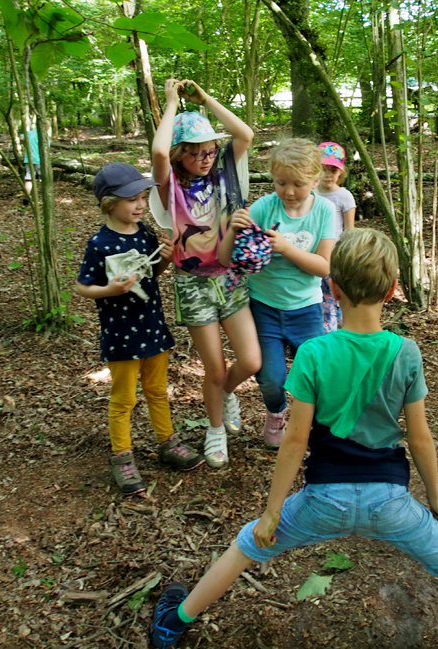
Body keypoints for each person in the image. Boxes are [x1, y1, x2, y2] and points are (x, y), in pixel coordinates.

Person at [148, 228, 438, 649]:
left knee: (245, 548)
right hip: (391, 502)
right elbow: (420, 438)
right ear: (391, 291)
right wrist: (436, 495)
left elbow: (295, 442)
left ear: (331, 287)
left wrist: (272, 511)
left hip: (322, 501)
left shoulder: (314, 352)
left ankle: (174, 623)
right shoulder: (406, 352)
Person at [150, 79, 261, 469]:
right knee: (213, 368)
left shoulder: (226, 171)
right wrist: (171, 102)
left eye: (210, 150)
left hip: (231, 278)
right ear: (182, 156)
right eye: (195, 152)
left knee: (249, 361)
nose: (206, 158)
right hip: (193, 283)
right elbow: (159, 151)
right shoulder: (170, 189)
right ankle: (215, 429)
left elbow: (244, 134)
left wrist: (204, 100)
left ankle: (227, 393)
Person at [75, 163, 203, 495]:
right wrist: (109, 291)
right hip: (121, 334)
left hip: (152, 326)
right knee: (124, 398)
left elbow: (151, 275)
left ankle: (167, 442)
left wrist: (166, 256)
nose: (141, 205)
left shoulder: (145, 233)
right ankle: (122, 456)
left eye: (143, 197)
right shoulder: (100, 243)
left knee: (158, 390)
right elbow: (83, 286)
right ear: (109, 202)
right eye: (132, 199)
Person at [238, 139, 335, 448]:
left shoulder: (324, 211)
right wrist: (238, 229)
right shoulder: (264, 207)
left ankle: (315, 424)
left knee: (315, 375)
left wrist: (286, 248)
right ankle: (276, 413)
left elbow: (322, 267)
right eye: (281, 183)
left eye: (298, 184)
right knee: (271, 377)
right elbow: (242, 252)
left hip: (306, 309)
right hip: (264, 306)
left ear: (316, 181)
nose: (289, 191)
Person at [316, 141, 356, 333]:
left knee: (334, 297)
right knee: (322, 298)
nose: (328, 175)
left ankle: (339, 333)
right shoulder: (310, 193)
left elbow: (349, 231)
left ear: (341, 172)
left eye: (333, 170)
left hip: (335, 258)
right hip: (314, 255)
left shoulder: (344, 197)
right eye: (323, 169)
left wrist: (347, 259)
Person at [22, 128, 41, 204]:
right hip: (39, 160)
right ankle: (40, 196)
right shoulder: (43, 135)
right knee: (42, 178)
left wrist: (25, 144)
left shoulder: (29, 133)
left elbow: (21, 138)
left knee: (29, 178)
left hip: (29, 159)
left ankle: (27, 196)